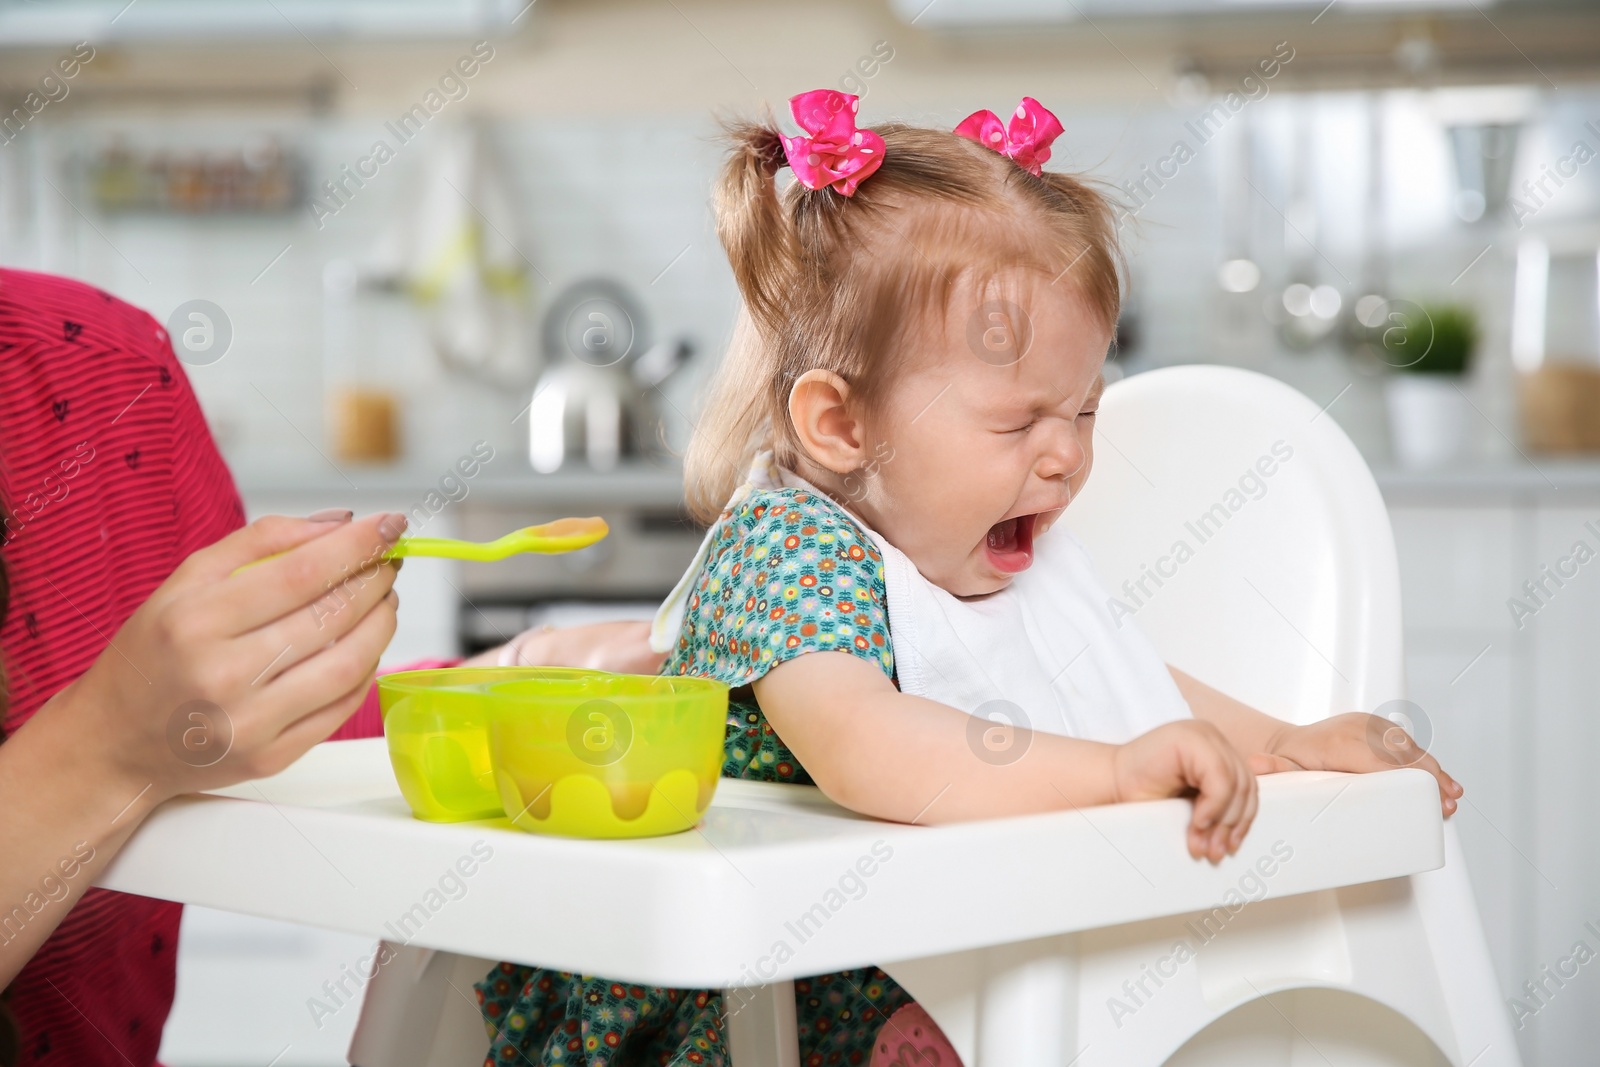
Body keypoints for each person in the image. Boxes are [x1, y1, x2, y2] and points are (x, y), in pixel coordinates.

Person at [474, 92, 1463, 1067]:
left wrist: (1288, 743)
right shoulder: (787, 549)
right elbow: (871, 746)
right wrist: (1116, 773)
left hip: (957, 949)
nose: (1064, 457)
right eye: (1015, 422)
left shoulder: (997, 535)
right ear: (841, 425)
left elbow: (1113, 670)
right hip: (777, 994)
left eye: (1082, 413)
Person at [0, 266, 643, 1067]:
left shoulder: (112, 368)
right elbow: (151, 735)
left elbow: (237, 732)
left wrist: (518, 668)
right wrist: (106, 747)